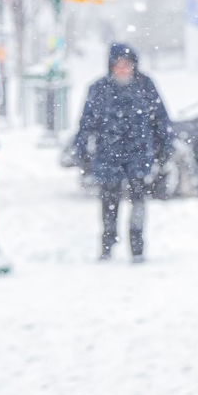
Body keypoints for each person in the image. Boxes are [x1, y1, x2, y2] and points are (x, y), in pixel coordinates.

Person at [73, 43, 173, 262]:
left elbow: (161, 120)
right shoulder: (99, 89)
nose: (123, 69)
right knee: (109, 203)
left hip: (138, 154)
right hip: (108, 155)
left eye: (127, 65)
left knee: (138, 201)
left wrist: (164, 149)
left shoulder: (146, 86)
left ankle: (137, 246)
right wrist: (81, 152)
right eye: (118, 65)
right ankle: (107, 244)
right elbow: (86, 123)